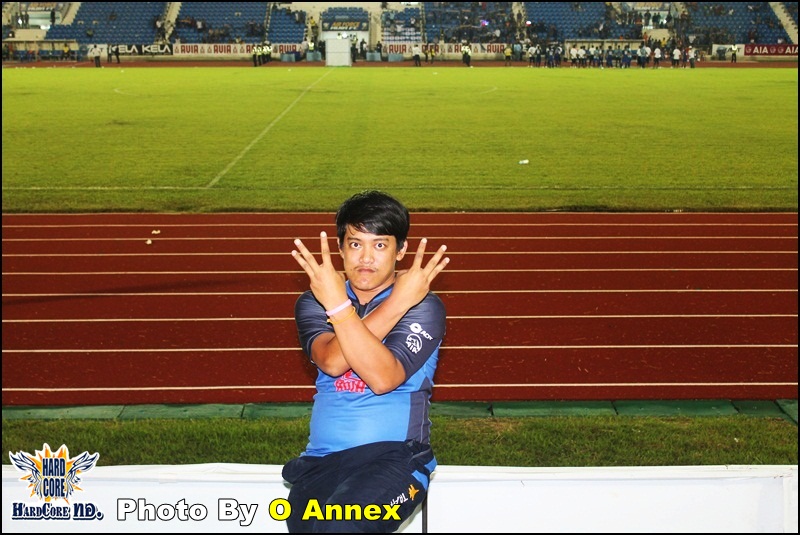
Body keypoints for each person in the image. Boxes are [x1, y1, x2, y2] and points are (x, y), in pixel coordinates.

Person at [283, 190, 450, 533]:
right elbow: (332, 361)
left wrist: (350, 306)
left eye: (380, 245)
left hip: (395, 460)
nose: (366, 258)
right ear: (341, 248)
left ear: (400, 250)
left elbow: (383, 377)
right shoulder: (315, 301)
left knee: (344, 527)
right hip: (320, 462)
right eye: (356, 244)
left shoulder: (423, 306)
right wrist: (348, 303)